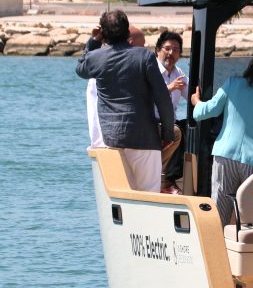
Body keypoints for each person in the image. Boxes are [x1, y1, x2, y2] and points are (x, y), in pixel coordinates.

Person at [190, 49, 253, 225]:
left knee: (219, 208)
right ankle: (248, 248)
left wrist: (196, 102)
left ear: (252, 65)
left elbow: (207, 111)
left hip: (225, 155)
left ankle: (216, 247)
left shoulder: (232, 83)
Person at [77, 10, 175, 192]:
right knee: (149, 195)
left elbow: (81, 68)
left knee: (125, 195)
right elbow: (163, 99)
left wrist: (93, 41)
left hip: (112, 140)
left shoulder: (97, 57)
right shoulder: (144, 57)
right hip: (145, 138)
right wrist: (167, 133)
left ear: (104, 33)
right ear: (126, 30)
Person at [86, 25, 147, 149]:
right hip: (108, 142)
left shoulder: (104, 64)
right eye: (142, 47)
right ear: (130, 43)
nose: (144, 51)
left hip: (119, 139)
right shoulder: (109, 71)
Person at [155, 30, 188, 194]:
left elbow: (191, 95)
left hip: (169, 123)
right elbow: (147, 97)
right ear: (158, 50)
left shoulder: (178, 73)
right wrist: (169, 88)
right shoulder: (151, 69)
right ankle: (165, 181)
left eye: (175, 50)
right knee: (176, 132)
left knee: (192, 128)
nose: (171, 53)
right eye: (167, 48)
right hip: (151, 121)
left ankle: (172, 180)